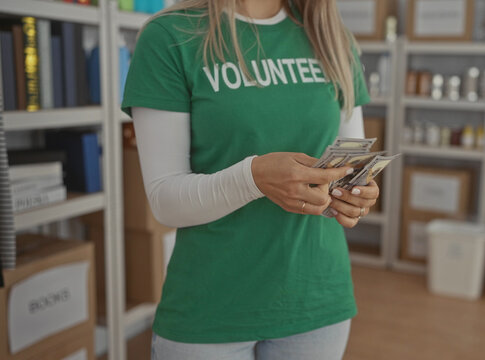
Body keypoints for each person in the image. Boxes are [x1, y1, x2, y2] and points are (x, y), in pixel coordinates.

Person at [121, 0, 379, 358]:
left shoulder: (332, 38)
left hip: (317, 302)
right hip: (210, 309)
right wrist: (253, 178)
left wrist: (356, 197)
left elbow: (349, 164)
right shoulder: (170, 37)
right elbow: (165, 201)